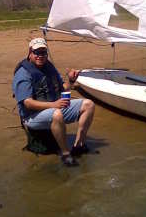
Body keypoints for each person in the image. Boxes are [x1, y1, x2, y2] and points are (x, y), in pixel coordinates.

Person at [12, 37, 95, 166]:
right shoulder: (23, 73)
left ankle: (79, 145)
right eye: (37, 52)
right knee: (56, 114)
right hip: (32, 116)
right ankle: (65, 153)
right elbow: (27, 102)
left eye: (43, 52)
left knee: (88, 104)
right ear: (30, 52)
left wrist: (71, 81)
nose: (41, 56)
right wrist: (54, 105)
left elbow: (63, 88)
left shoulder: (48, 66)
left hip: (54, 107)